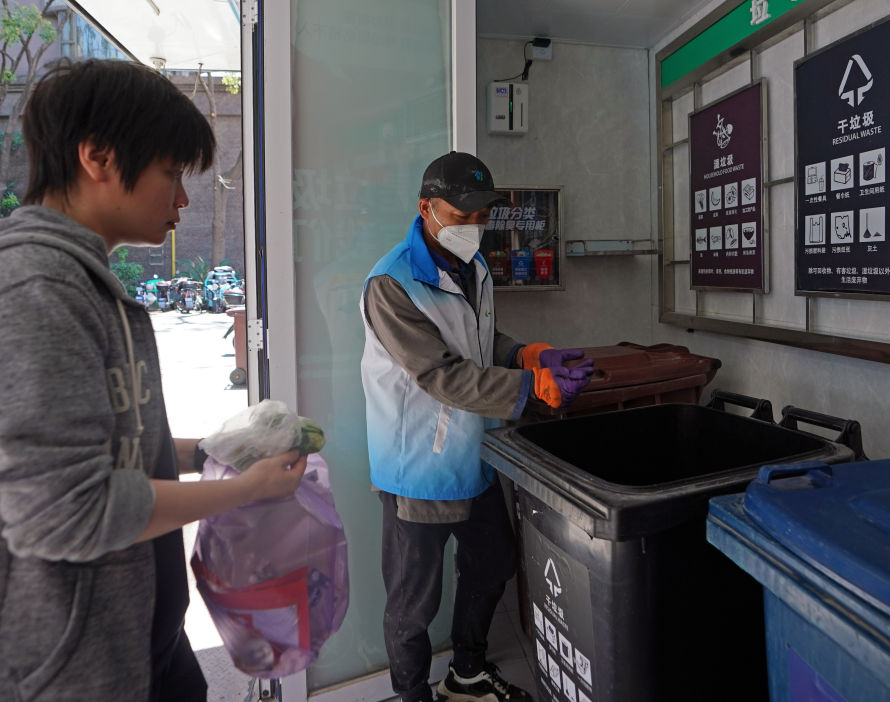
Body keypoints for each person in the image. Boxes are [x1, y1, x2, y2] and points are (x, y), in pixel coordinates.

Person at [0, 59, 307, 701]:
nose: (183, 199)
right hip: (79, 670)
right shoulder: (37, 291)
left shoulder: (88, 283)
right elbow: (65, 511)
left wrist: (210, 452)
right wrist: (242, 491)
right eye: (171, 173)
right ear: (99, 157)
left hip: (148, 646)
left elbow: (111, 453)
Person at [360, 151, 594, 702]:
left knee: (493, 561)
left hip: (474, 453)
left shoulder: (476, 268)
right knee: (413, 603)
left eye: (481, 214)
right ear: (426, 208)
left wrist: (524, 353)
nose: (473, 227)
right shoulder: (391, 284)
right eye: (460, 214)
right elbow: (439, 373)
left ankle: (466, 673)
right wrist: (528, 388)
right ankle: (412, 695)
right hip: (416, 466)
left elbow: (478, 340)